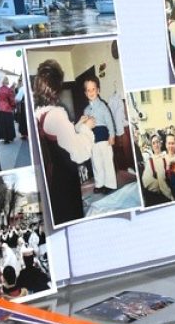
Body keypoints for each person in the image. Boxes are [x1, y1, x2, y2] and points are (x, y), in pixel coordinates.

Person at [33, 59, 94, 223]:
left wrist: (78, 125)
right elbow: (79, 153)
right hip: (64, 179)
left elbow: (61, 138)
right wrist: (87, 128)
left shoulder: (40, 113)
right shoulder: (57, 114)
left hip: (53, 178)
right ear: (56, 86)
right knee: (71, 215)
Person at [78, 75, 118, 196]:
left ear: (98, 90)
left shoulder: (103, 106)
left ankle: (110, 184)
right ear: (85, 93)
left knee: (107, 162)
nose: (91, 92)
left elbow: (110, 121)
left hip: (105, 140)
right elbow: (85, 128)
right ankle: (99, 184)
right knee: (96, 163)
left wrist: (112, 136)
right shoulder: (86, 110)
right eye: (88, 90)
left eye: (93, 89)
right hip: (92, 141)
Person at [0, 75, 17, 143]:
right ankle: (9, 137)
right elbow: (11, 100)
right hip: (7, 108)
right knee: (8, 123)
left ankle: (4, 138)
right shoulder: (9, 90)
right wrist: (13, 106)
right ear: (7, 82)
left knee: (2, 124)